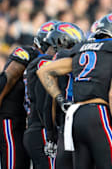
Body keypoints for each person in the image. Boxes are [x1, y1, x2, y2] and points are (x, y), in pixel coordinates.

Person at [36, 13, 112, 169]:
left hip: (75, 116)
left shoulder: (81, 49)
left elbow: (43, 71)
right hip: (98, 114)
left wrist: (60, 99)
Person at [0, 20, 57, 169]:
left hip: (24, 123)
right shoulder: (27, 54)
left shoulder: (50, 62)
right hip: (8, 121)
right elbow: (1, 87)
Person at [23, 22, 84, 169]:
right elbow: (47, 100)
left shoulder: (41, 61)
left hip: (35, 127)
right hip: (42, 128)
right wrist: (50, 132)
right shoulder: (47, 62)